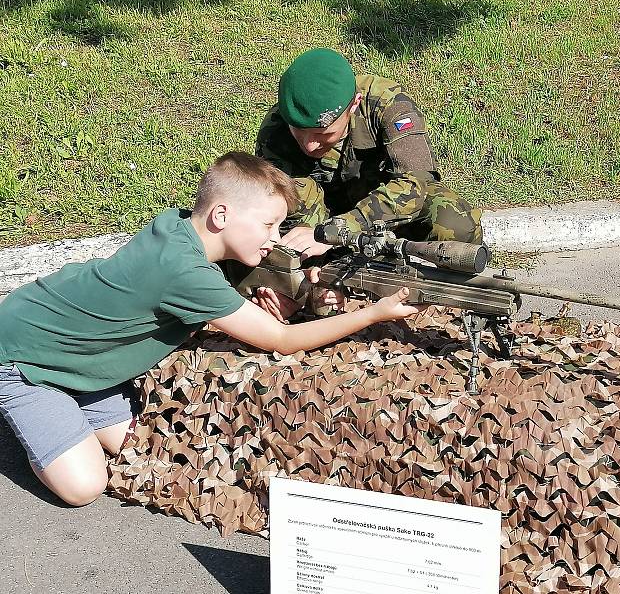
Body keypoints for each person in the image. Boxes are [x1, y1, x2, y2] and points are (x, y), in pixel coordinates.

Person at [0, 152, 421, 507]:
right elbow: (282, 340)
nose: (276, 239)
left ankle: (60, 411)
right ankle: (28, 420)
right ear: (221, 215)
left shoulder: (178, 227)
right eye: (268, 225)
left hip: (69, 351)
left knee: (128, 442)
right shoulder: (187, 273)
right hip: (22, 358)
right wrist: (372, 315)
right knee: (84, 487)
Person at [255, 48, 483, 261]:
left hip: (387, 208)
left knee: (455, 220)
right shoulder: (276, 128)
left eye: (322, 133)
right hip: (320, 221)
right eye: (299, 131)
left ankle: (450, 297)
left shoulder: (388, 104)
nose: (310, 145)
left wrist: (346, 225)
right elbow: (276, 200)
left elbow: (414, 184)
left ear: (354, 105)